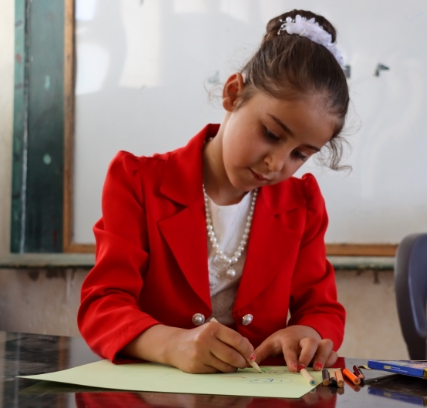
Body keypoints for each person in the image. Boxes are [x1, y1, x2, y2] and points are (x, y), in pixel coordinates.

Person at [78, 9, 350, 375]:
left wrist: (308, 331)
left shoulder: (301, 204)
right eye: (270, 133)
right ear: (233, 94)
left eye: (300, 155)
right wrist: (171, 344)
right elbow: (102, 304)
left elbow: (322, 309)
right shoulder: (137, 181)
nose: (276, 165)